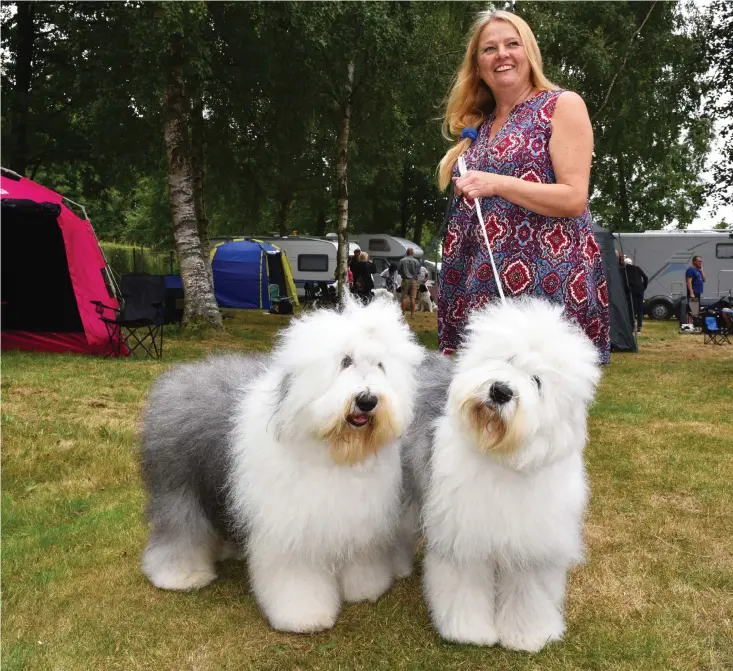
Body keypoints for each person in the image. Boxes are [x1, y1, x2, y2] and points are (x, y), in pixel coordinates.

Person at [435, 9, 610, 362]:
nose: (501, 54)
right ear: (478, 64)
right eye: (489, 48)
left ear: (528, 52)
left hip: (545, 284)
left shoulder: (561, 105)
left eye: (512, 44)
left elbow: (574, 198)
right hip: (480, 284)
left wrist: (496, 183)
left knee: (544, 405)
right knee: (481, 408)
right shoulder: (478, 128)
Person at [624, 257, 648, 334]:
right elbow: (645, 277)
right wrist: (644, 287)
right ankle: (639, 328)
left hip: (632, 291)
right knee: (640, 309)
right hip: (640, 290)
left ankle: (632, 328)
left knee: (632, 309)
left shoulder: (625, 270)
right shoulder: (637, 268)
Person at [398, 247, 421, 318]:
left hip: (405, 280)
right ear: (413, 253)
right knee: (413, 298)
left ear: (406, 253)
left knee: (404, 297)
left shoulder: (402, 260)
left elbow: (399, 271)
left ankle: (403, 313)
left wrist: (403, 274)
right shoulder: (416, 261)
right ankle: (412, 314)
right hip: (413, 281)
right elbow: (418, 272)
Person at [685, 255, 705, 322]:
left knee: (696, 310)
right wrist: (691, 293)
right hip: (693, 293)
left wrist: (702, 271)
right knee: (692, 309)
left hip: (698, 292)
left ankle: (695, 324)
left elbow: (704, 279)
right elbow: (689, 282)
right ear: (694, 261)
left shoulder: (698, 270)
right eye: (699, 261)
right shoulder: (690, 270)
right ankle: (689, 324)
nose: (700, 263)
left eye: (701, 261)